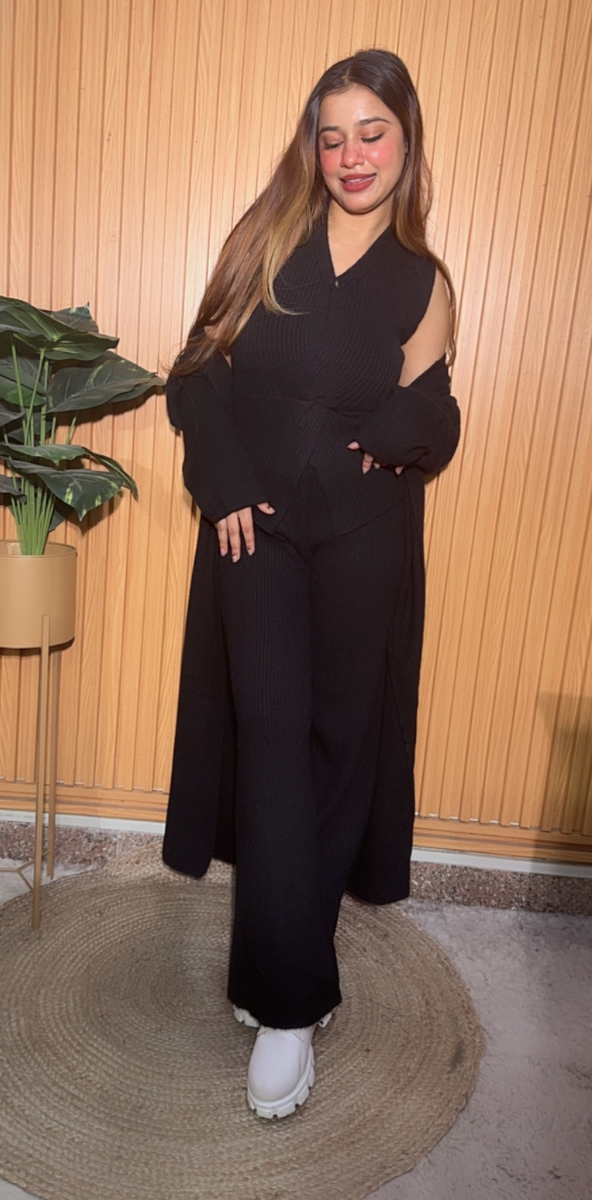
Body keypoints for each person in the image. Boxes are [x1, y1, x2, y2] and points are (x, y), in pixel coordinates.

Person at [162, 48, 460, 1120]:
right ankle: (289, 1006)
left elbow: (437, 412)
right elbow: (194, 374)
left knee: (339, 747)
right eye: (332, 137)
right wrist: (222, 477)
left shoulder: (425, 280)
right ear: (312, 148)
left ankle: (283, 963)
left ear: (405, 141)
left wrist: (403, 427)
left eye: (371, 132)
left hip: (367, 539)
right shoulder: (263, 239)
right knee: (274, 742)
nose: (351, 155)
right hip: (255, 536)